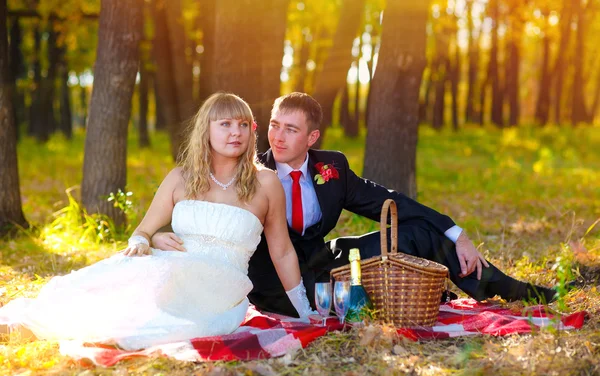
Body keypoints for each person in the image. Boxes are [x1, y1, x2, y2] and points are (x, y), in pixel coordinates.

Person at [153, 92, 558, 317]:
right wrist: (156, 235)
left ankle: (512, 291)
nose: (277, 137)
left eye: (291, 129)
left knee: (416, 231)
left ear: (312, 138)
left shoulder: (332, 169)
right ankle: (414, 297)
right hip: (273, 277)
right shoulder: (250, 171)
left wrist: (458, 232)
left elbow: (390, 201)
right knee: (339, 302)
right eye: (274, 125)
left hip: (324, 256)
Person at [0, 93, 314, 349]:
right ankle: (30, 323)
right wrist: (146, 241)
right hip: (173, 268)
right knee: (114, 279)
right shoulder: (181, 178)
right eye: (226, 124)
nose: (236, 132)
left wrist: (304, 311)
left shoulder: (266, 183)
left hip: (222, 287)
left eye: (243, 124)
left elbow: (282, 252)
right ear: (206, 129)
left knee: (149, 311)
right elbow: (142, 231)